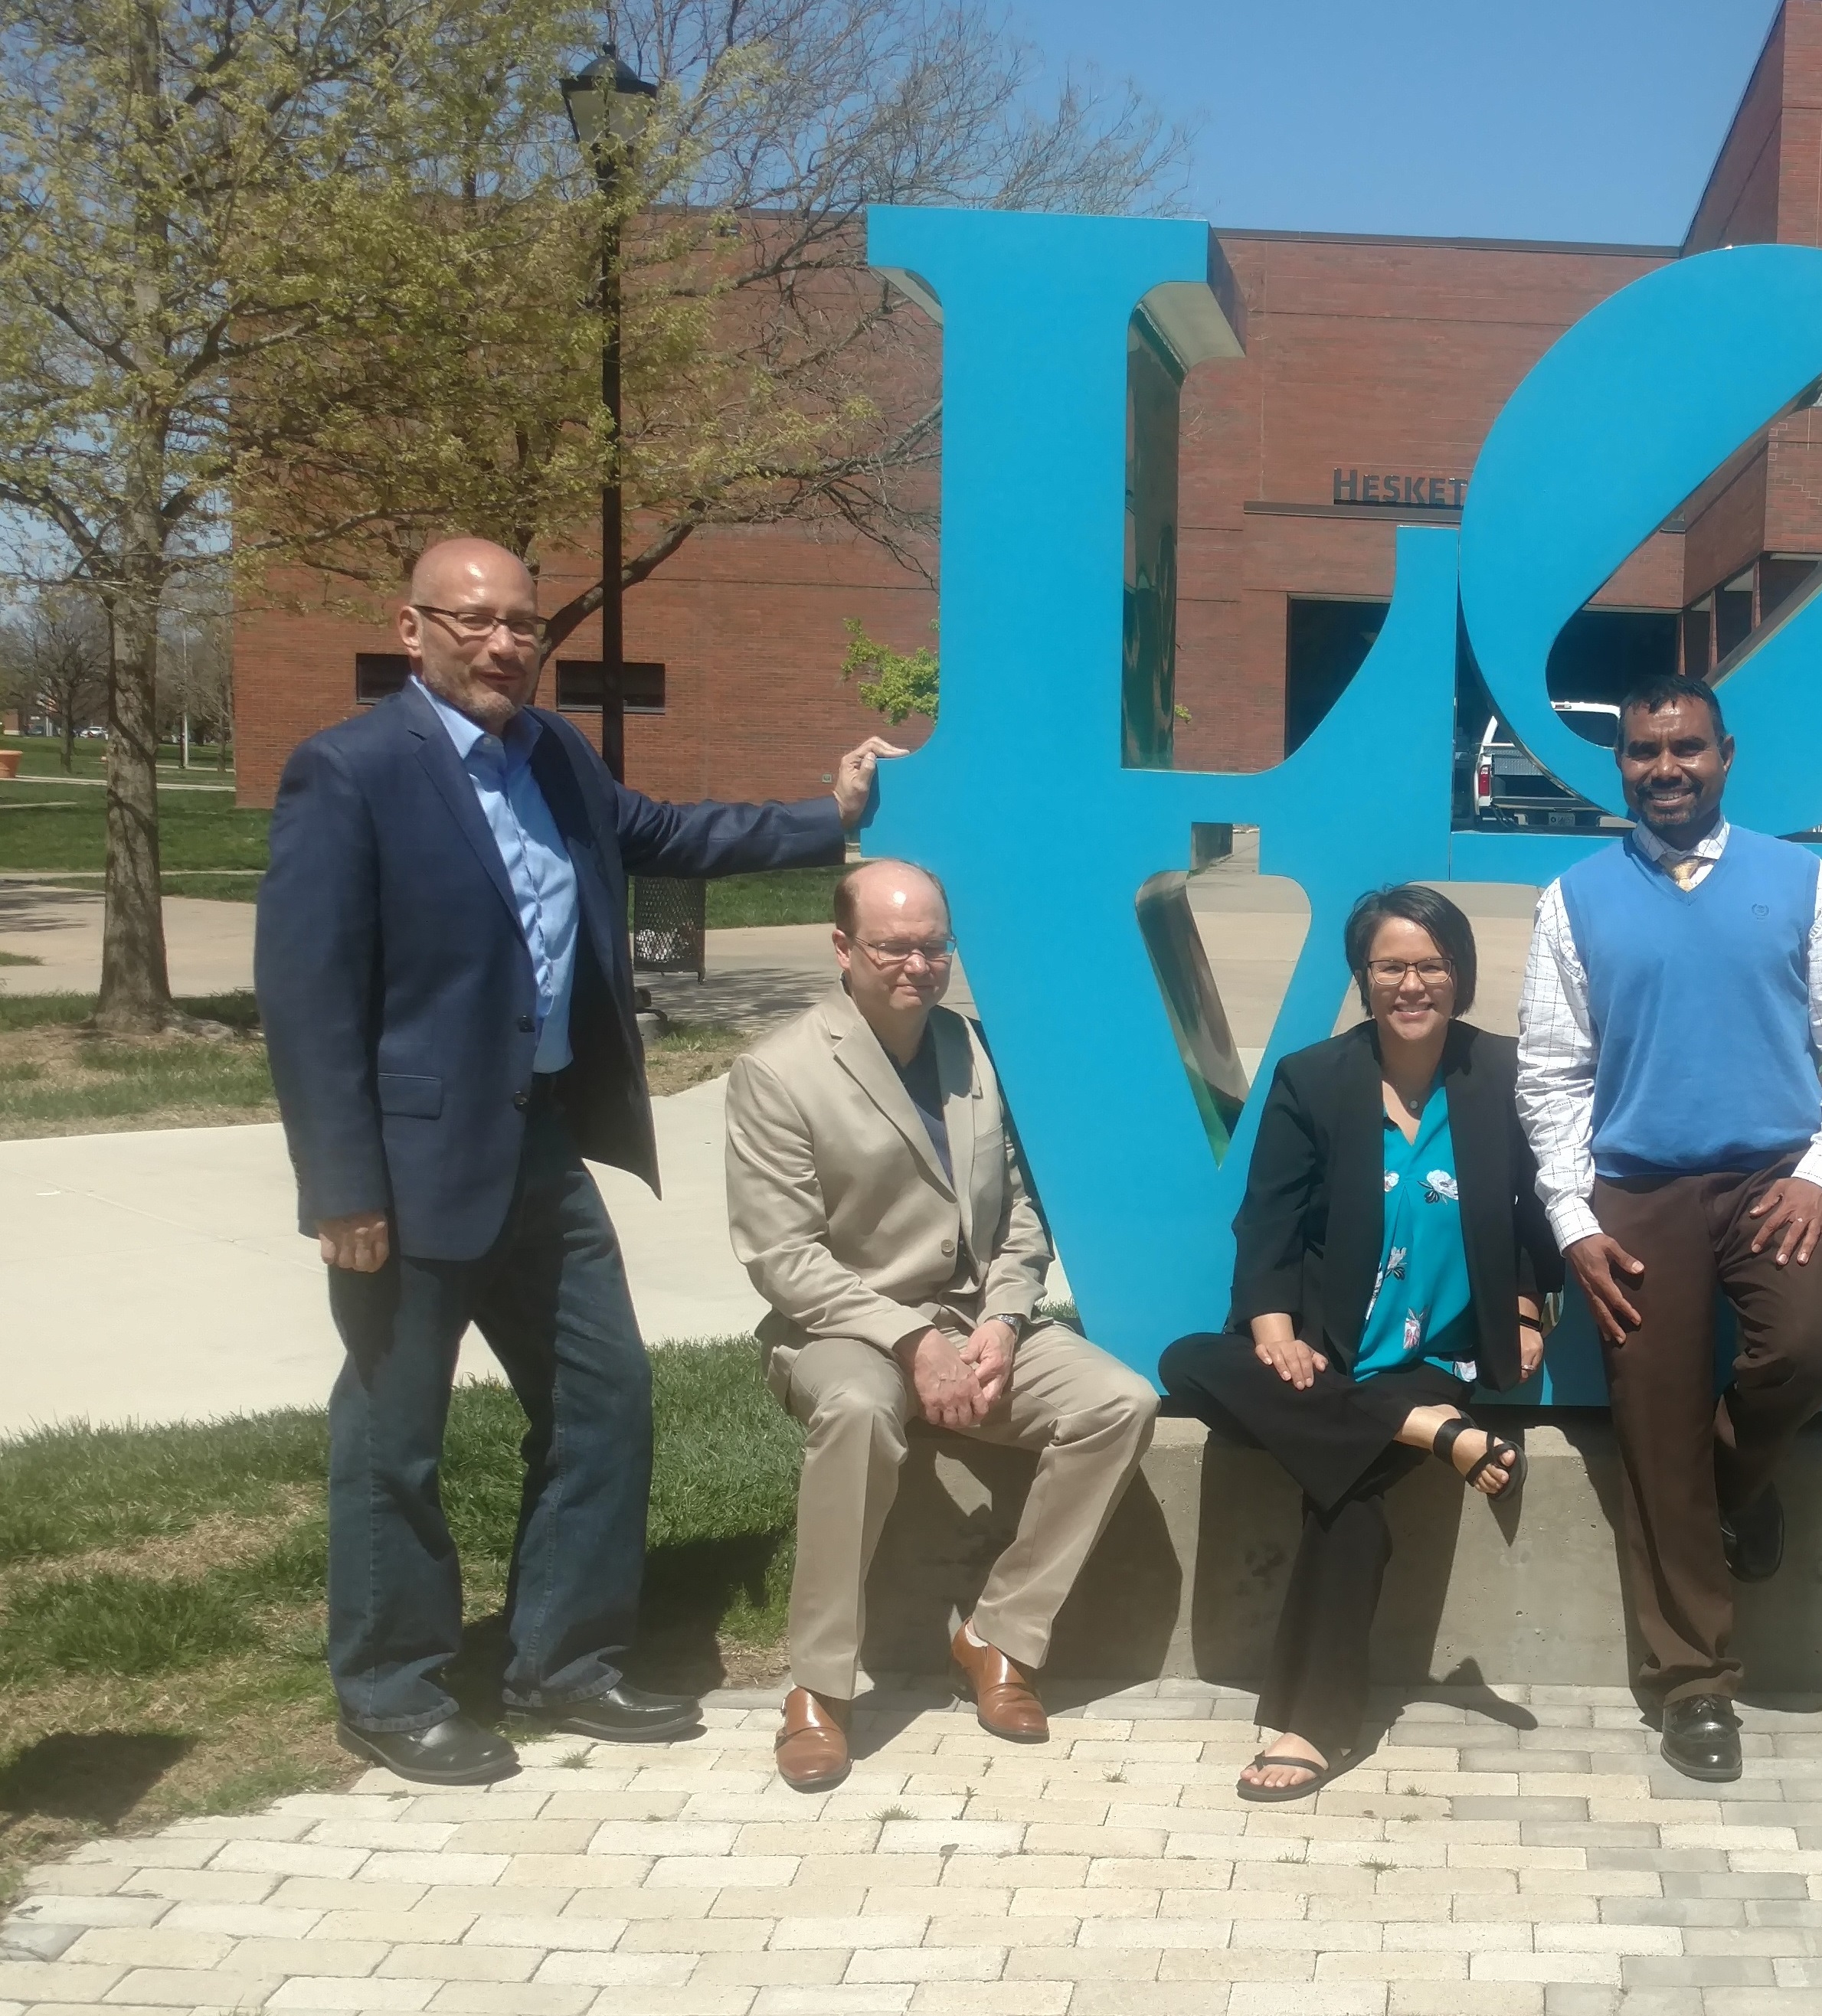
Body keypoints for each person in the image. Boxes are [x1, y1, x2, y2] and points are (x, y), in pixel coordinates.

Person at [257, 537, 899, 1787]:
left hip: (543, 1145)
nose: (506, 644)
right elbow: (308, 994)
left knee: (606, 1400)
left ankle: (564, 1659)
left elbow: (666, 832)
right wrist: (342, 1187)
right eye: (476, 622)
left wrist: (832, 817)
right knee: (397, 1433)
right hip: (406, 1168)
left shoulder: (555, 755)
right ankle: (390, 1687)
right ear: (413, 627)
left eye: (524, 626)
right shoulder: (346, 774)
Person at [1516, 674, 1822, 1782]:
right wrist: (1573, 1219)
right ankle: (1693, 1681)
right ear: (1622, 765)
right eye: (1644, 752)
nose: (1665, 769)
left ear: (1725, 755)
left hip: (1775, 1178)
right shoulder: (1575, 899)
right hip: (1635, 1191)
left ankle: (1732, 1489)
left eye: (1686, 748)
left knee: (1805, 1347)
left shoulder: (1804, 882)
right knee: (1653, 1421)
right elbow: (1550, 1075)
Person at [726, 859, 1159, 1792]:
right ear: (843, 948)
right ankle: (819, 1688)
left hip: (975, 1312)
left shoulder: (976, 1050)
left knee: (1120, 1401)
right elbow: (784, 1258)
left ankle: (999, 1634)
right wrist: (913, 1343)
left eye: (933, 946)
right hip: (843, 1323)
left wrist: (1004, 1317)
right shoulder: (778, 1072)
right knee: (856, 1413)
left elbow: (1023, 1212)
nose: (917, 966)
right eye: (893, 947)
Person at [1160, 885, 1562, 1801]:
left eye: (1429, 964)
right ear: (1363, 976)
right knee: (1188, 1359)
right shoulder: (1315, 1077)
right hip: (1329, 1354)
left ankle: (1310, 1727)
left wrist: (1532, 1309)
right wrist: (1271, 1329)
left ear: (1458, 974)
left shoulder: (1504, 1074)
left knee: (1345, 1495)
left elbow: (1543, 1210)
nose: (1410, 983)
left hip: (1442, 1356)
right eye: (1390, 966)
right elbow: (1267, 1219)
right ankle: (1430, 1432)